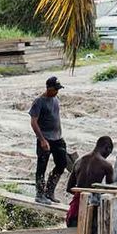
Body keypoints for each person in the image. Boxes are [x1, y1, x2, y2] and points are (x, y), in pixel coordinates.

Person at [29, 75, 70, 203]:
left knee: (61, 164)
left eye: (58, 89)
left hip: (57, 138)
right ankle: (39, 194)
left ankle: (49, 191)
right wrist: (42, 140)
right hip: (45, 139)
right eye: (55, 89)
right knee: (42, 167)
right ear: (49, 88)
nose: (57, 91)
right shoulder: (39, 102)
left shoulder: (56, 98)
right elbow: (34, 122)